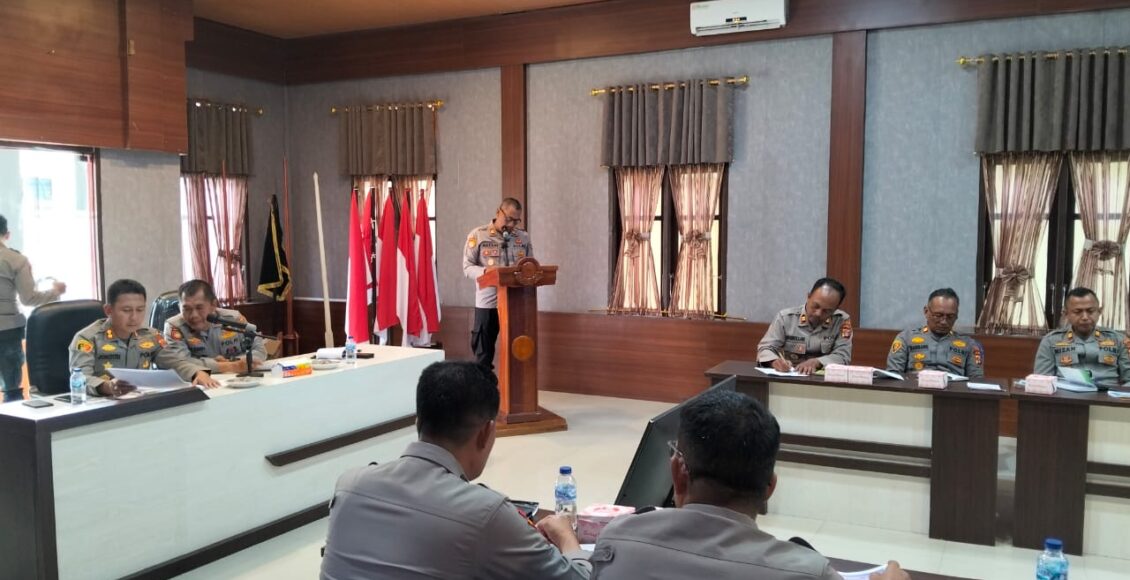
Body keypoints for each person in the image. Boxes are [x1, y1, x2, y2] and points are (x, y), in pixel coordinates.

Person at [590, 389, 908, 579]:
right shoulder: (807, 571)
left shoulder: (618, 540)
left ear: (677, 473)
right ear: (769, 487)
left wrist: (569, 543)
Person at [320, 361, 589, 580]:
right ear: (486, 432)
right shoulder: (486, 514)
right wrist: (565, 536)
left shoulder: (349, 485)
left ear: (418, 422)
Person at [68, 279, 220, 397]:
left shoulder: (151, 336)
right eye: (126, 310)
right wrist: (107, 387)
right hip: (98, 406)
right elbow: (80, 378)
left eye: (140, 310)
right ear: (108, 310)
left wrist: (196, 372)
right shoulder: (87, 339)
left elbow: (174, 362)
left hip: (138, 401)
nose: (134, 317)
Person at [0, 214, 67, 402]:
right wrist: (56, 291)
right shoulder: (15, 260)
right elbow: (29, 298)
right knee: (11, 390)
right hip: (6, 329)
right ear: (7, 234)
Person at [462, 198, 532, 370]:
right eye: (508, 219)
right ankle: (485, 386)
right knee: (483, 355)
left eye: (516, 221)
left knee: (518, 351)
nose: (511, 225)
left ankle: (514, 386)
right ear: (498, 212)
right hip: (488, 303)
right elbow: (467, 267)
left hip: (515, 302)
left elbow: (530, 266)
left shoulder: (523, 237)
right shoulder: (478, 235)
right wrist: (486, 272)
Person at [163, 279, 266, 374]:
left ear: (213, 305)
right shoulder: (174, 327)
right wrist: (228, 366)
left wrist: (235, 362)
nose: (194, 315)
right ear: (179, 308)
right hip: (201, 383)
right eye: (187, 309)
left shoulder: (233, 319)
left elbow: (260, 350)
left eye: (199, 308)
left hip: (239, 379)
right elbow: (181, 363)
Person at [1034, 286, 1130, 385]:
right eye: (1077, 312)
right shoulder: (1051, 341)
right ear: (1066, 314)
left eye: (1090, 311)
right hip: (1065, 393)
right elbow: (1041, 380)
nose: (1085, 317)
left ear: (1099, 311)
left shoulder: (1119, 340)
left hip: (1106, 393)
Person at [756, 278, 853, 375]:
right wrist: (774, 361)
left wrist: (817, 362)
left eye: (827, 311)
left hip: (822, 379)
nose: (818, 313)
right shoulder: (785, 318)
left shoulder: (843, 321)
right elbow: (765, 348)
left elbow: (843, 355)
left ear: (836, 308)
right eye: (815, 306)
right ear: (808, 296)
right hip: (789, 376)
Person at [886, 288, 984, 378]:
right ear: (926, 311)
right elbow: (893, 376)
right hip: (915, 389)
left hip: (952, 389)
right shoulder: (905, 339)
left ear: (956, 316)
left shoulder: (969, 345)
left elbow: (977, 381)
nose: (944, 322)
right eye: (938, 315)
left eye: (950, 317)